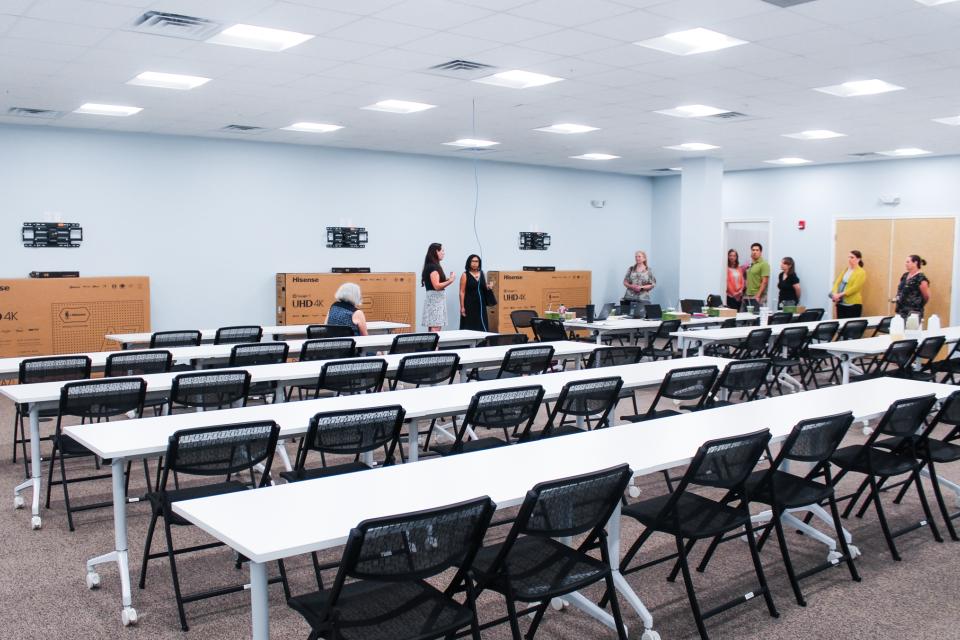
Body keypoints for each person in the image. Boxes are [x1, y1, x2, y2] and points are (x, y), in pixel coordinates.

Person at [421, 242, 456, 332]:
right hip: (435, 301)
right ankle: (434, 346)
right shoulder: (433, 267)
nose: (444, 253)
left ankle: (432, 346)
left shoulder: (432, 266)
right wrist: (450, 281)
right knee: (435, 328)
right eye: (442, 251)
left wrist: (448, 279)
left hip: (435, 300)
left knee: (434, 326)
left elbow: (436, 281)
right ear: (436, 251)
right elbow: (436, 286)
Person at [460, 254, 495, 331]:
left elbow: (484, 287)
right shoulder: (465, 275)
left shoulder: (482, 273)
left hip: (481, 304)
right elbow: (462, 292)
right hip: (469, 304)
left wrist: (489, 286)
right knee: (470, 324)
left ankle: (482, 342)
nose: (475, 263)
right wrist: (462, 307)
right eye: (473, 261)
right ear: (469, 262)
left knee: (482, 324)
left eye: (477, 261)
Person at [831, 250, 866, 318]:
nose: (849, 259)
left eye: (852, 257)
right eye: (848, 257)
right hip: (841, 303)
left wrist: (840, 294)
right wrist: (835, 294)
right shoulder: (846, 269)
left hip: (853, 304)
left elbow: (855, 288)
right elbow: (837, 282)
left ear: (858, 259)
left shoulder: (861, 272)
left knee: (851, 325)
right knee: (841, 325)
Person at [894, 254, 930, 319]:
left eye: (908, 262)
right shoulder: (905, 275)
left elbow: (926, 296)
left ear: (915, 263)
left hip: (913, 313)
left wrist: (916, 303)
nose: (906, 264)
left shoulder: (921, 278)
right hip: (901, 311)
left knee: (911, 328)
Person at [741, 242, 770, 311]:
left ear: (760, 252)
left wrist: (758, 296)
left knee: (756, 318)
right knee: (744, 317)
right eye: (753, 250)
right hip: (747, 295)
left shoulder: (764, 264)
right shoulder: (751, 264)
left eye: (757, 250)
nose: (754, 252)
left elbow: (765, 282)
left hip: (757, 296)